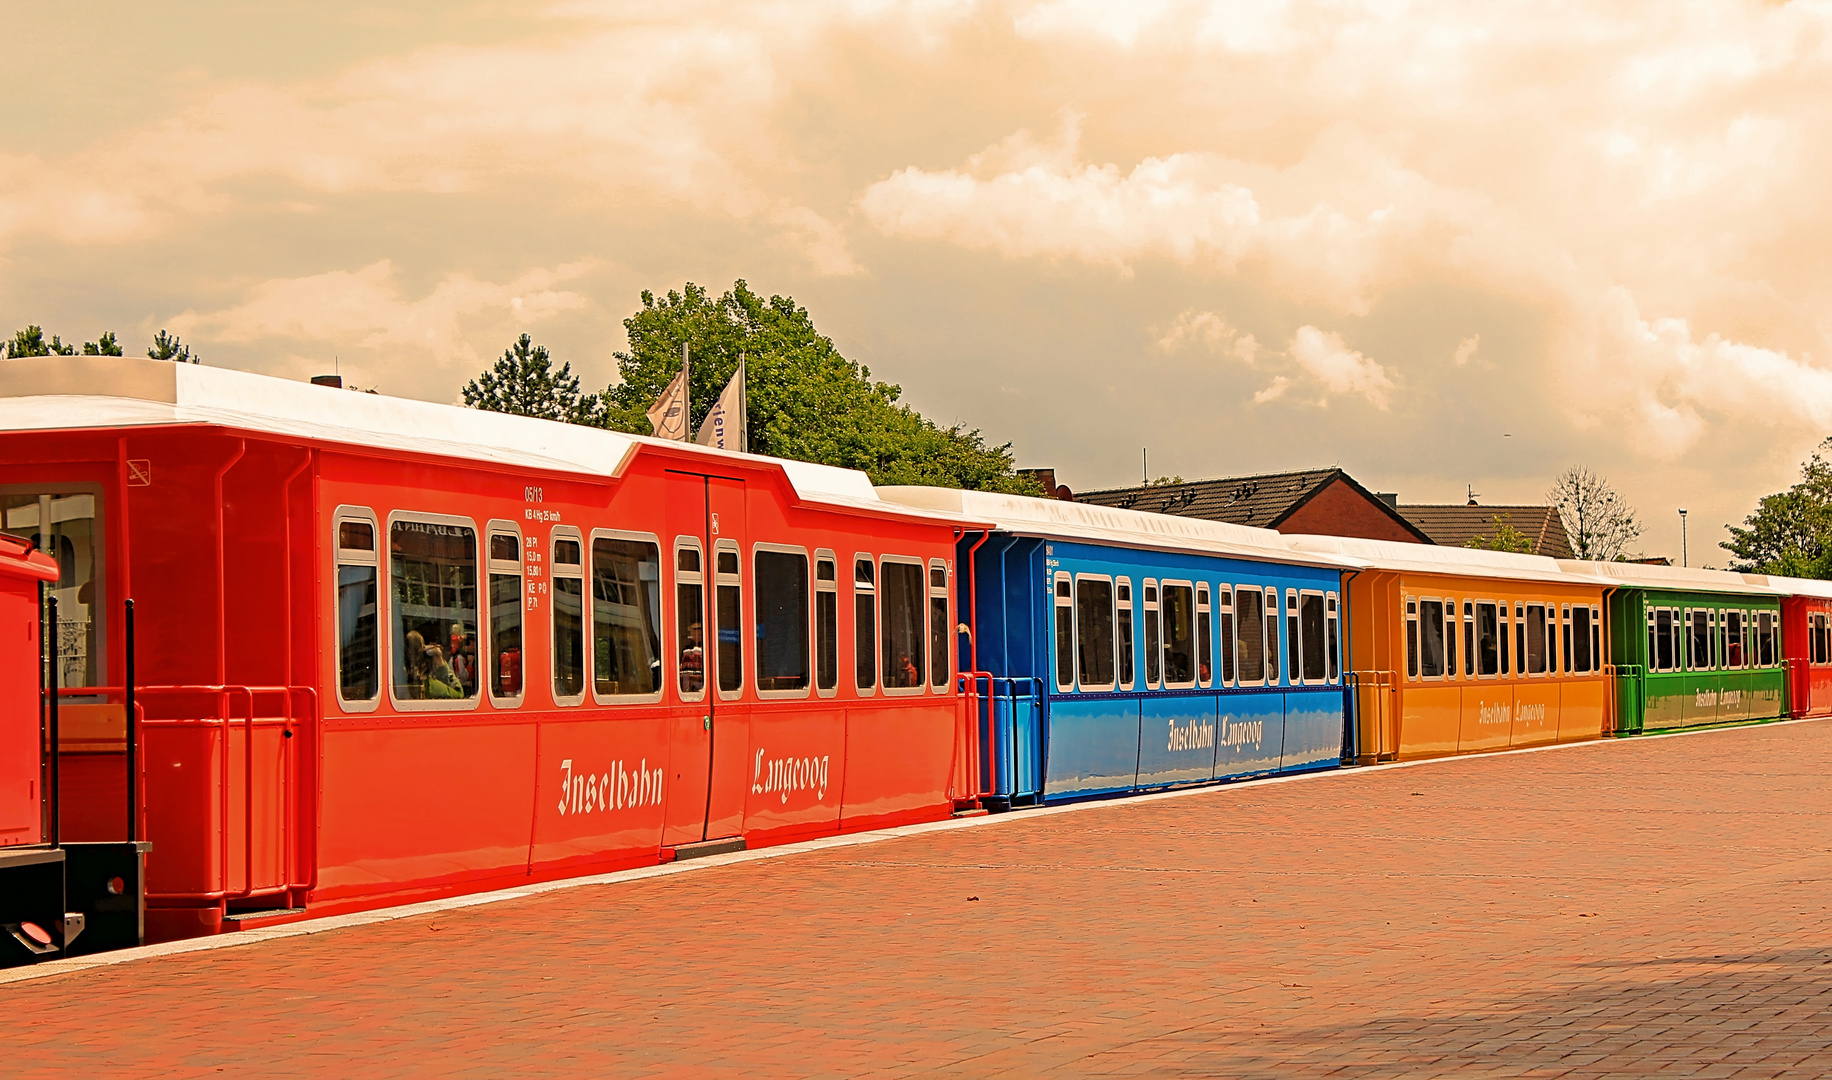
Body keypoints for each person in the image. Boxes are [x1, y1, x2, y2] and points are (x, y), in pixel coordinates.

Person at [680, 622, 705, 693]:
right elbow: (681, 668)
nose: (697, 637)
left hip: (701, 686)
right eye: (694, 634)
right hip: (687, 685)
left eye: (699, 635)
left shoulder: (706, 650)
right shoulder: (686, 649)